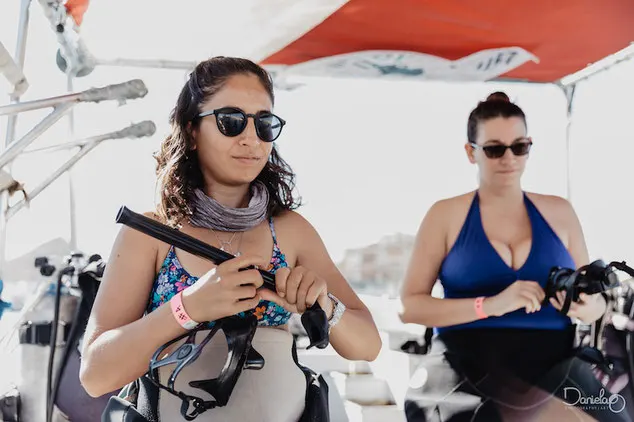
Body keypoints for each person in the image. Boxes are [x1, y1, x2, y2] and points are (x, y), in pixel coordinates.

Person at [79, 56, 381, 421]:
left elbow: (368, 345)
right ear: (192, 130)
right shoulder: (151, 231)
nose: (251, 138)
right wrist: (187, 309)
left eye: (264, 124)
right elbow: (95, 375)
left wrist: (324, 305)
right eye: (231, 121)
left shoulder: (291, 229)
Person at [399, 92, 629, 422]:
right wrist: (489, 305)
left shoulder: (560, 213)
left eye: (520, 147)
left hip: (555, 361)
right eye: (495, 149)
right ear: (471, 152)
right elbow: (409, 307)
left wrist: (587, 306)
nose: (510, 158)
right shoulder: (445, 215)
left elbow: (596, 305)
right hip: (464, 359)